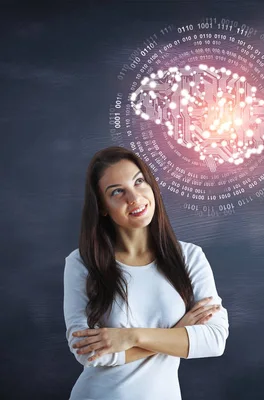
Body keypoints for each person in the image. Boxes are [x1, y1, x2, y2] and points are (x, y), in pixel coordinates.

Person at [63, 146, 229, 400]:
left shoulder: (190, 258)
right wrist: (179, 332)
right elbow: (86, 353)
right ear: (103, 207)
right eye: (117, 192)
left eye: (139, 182)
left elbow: (214, 340)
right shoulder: (83, 263)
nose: (134, 197)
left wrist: (130, 336)